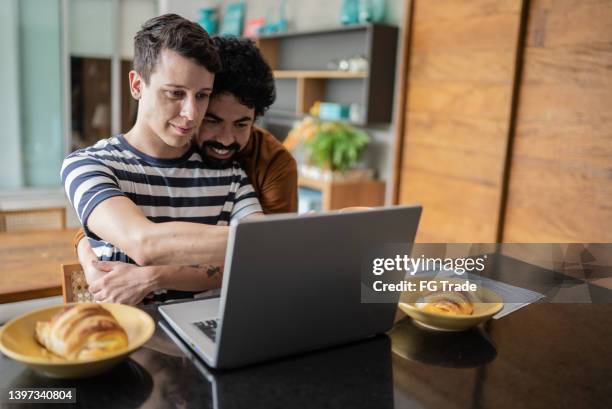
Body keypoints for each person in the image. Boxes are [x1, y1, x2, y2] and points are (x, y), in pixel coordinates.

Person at [67, 25, 297, 304]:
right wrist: (286, 239)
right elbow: (142, 242)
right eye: (175, 93)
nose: (191, 115)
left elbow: (262, 254)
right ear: (137, 85)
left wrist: (277, 240)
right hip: (123, 334)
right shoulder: (87, 164)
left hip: (207, 330)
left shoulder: (233, 173)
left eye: (201, 96)